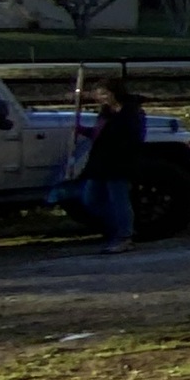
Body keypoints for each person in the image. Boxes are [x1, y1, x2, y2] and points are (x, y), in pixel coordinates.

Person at [78, 82, 147, 254]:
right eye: (99, 94)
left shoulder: (131, 112)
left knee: (119, 199)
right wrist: (82, 130)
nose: (101, 97)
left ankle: (125, 236)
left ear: (115, 93)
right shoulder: (106, 112)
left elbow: (132, 138)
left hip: (119, 162)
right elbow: (100, 133)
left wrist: (120, 153)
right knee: (90, 199)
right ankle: (120, 228)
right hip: (101, 161)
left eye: (104, 93)